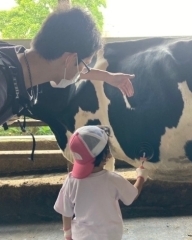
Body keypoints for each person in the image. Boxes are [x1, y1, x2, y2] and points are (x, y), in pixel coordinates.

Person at [0, 5, 134, 127]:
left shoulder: (17, 58)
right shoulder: (3, 86)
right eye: (86, 64)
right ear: (70, 59)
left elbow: (72, 70)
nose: (84, 70)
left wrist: (108, 77)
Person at [54, 125, 149, 240]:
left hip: (81, 236)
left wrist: (67, 234)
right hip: (109, 236)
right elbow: (132, 196)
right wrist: (141, 177)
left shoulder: (71, 180)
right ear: (107, 155)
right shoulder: (113, 179)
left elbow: (65, 211)